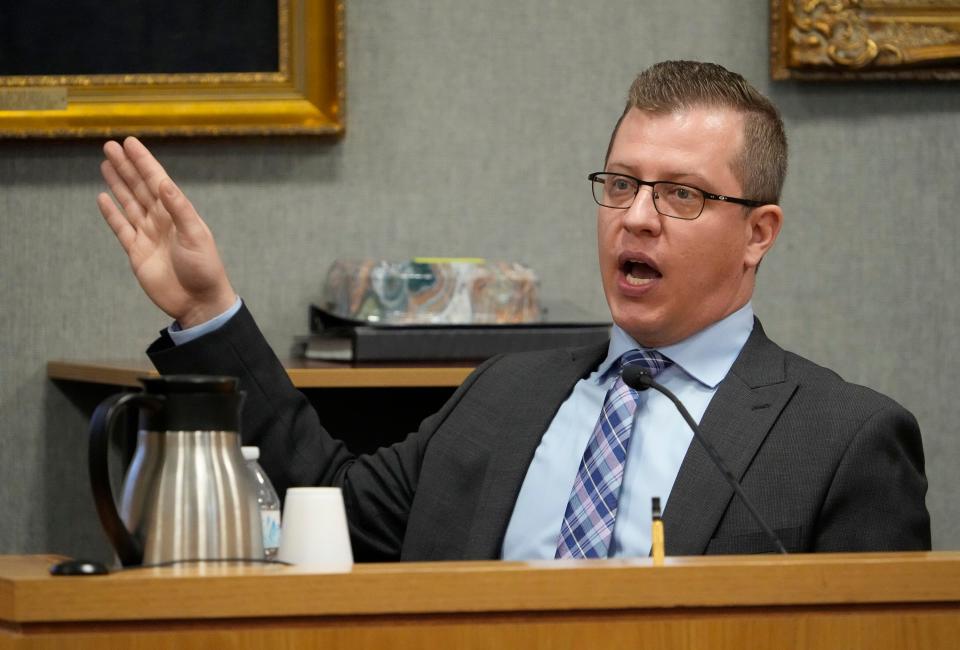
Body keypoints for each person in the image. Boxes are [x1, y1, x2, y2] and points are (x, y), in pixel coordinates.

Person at [97, 60, 931, 561]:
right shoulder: (503, 398)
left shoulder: (844, 440)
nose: (636, 216)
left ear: (758, 233)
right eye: (621, 184)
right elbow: (328, 505)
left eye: (680, 193)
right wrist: (209, 310)